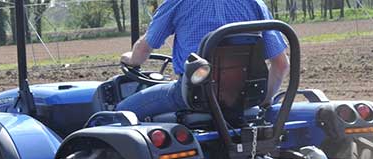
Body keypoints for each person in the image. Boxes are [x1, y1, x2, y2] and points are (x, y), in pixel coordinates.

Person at [117, 0, 290, 119]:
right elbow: (281, 65)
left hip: (194, 96)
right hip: (243, 97)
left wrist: (131, 58)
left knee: (119, 114)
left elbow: (143, 51)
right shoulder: (254, 3)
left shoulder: (178, 2)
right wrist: (262, 101)